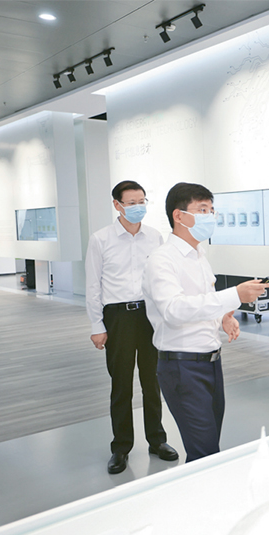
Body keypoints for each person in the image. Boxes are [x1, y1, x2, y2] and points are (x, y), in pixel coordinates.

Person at [143, 182, 269, 462]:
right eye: (202, 210)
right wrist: (234, 295)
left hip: (211, 362)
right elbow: (174, 309)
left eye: (212, 210)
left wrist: (223, 317)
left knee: (208, 447)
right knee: (204, 453)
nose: (210, 216)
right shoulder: (161, 260)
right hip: (183, 366)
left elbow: (201, 300)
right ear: (179, 216)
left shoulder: (200, 255)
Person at [85, 180, 178, 475]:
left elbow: (162, 278)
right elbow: (93, 286)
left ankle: (157, 440)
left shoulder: (155, 237)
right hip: (118, 317)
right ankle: (121, 447)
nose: (138, 207)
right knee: (121, 384)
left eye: (142, 201)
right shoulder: (100, 239)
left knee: (153, 381)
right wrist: (97, 325)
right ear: (117, 205)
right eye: (132, 203)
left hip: (150, 315)